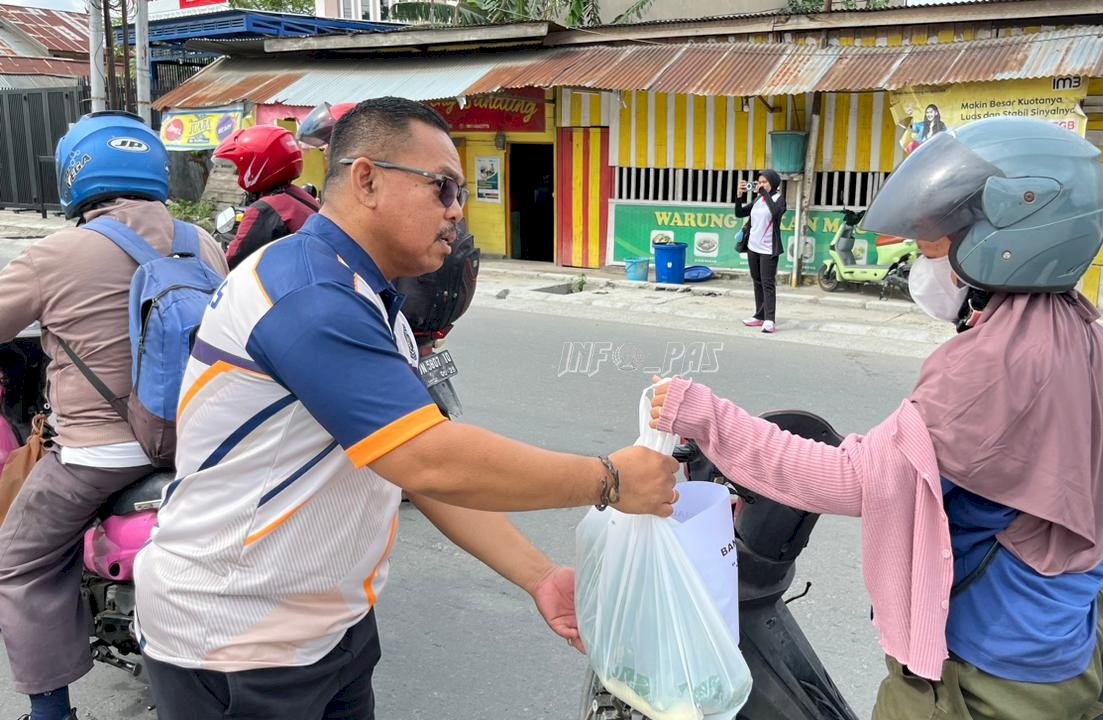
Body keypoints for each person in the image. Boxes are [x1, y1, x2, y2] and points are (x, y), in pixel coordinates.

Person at [132, 97, 679, 720]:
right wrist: (608, 479)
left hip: (327, 630)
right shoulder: (309, 292)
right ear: (366, 179)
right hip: (236, 641)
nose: (456, 213)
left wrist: (538, 575)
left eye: (463, 195)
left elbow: (408, 460)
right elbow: (430, 462)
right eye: (443, 188)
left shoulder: (366, 296)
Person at [650, 117, 1103, 720]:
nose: (925, 253)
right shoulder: (1083, 333)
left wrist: (705, 417)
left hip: (995, 668)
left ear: (1009, 232)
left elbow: (848, 479)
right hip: (1072, 627)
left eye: (940, 237)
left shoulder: (990, 364)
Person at [0, 111, 228, 720]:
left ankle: (51, 712)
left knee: (21, 561)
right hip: (201, 443)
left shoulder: (54, 254)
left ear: (76, 174)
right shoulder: (201, 242)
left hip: (99, 456)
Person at [214, 124, 320, 269]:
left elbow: (230, 263)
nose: (238, 174)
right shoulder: (299, 195)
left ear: (256, 164)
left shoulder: (265, 209)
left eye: (238, 169)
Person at [735, 169, 786, 334]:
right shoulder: (758, 199)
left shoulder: (779, 199)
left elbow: (775, 213)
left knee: (768, 284)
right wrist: (739, 196)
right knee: (757, 281)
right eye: (760, 182)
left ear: (773, 183)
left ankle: (770, 320)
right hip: (753, 247)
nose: (761, 185)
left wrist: (764, 193)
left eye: (765, 182)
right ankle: (759, 316)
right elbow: (740, 213)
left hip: (768, 249)